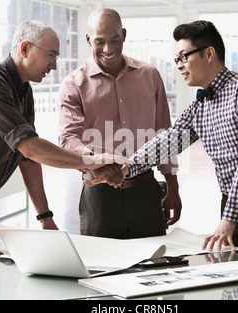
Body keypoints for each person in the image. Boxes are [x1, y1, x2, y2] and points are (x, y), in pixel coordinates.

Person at [0, 20, 128, 260]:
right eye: (50, 55)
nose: (54, 65)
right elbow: (30, 148)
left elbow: (26, 159)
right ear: (25, 49)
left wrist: (45, 217)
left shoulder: (23, 90)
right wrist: (91, 161)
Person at [118, 20, 238, 287]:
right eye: (176, 58)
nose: (178, 64)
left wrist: (229, 219)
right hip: (231, 201)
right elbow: (168, 140)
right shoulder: (201, 104)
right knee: (235, 281)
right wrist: (127, 167)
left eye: (184, 56)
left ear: (209, 54)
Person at [58, 8, 182, 239]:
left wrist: (173, 187)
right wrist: (96, 162)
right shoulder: (73, 84)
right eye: (99, 41)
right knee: (102, 269)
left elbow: (165, 134)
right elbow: (68, 139)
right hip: (99, 196)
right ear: (88, 40)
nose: (108, 49)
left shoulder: (150, 75)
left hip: (146, 191)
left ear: (124, 34)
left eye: (115, 40)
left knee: (153, 267)